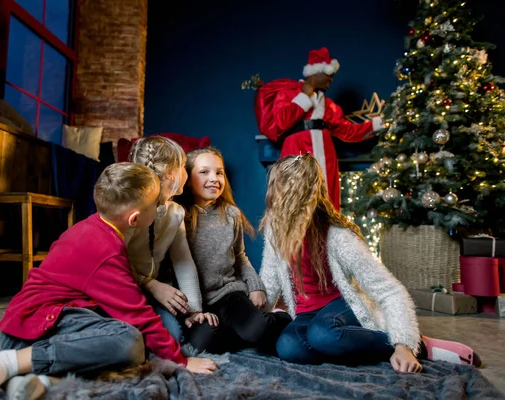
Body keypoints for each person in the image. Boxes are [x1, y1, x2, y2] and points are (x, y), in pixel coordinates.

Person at [0, 163, 217, 400]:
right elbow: (138, 314)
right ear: (135, 219)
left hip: (49, 323)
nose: (159, 207)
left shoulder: (94, 226)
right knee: (129, 342)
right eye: (155, 204)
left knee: (118, 339)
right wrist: (181, 361)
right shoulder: (105, 250)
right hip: (34, 330)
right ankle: (3, 364)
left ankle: (41, 382)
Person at [259, 154, 481, 372]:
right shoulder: (275, 232)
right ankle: (342, 346)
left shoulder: (338, 237)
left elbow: (390, 291)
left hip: (343, 304)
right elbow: (268, 282)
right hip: (307, 313)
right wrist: (251, 323)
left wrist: (403, 343)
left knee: (322, 334)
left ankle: (419, 346)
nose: (273, 198)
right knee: (289, 348)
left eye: (280, 191)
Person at [177, 148, 291, 354]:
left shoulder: (231, 214)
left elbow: (240, 258)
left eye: (219, 172)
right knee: (205, 343)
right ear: (187, 177)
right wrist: (193, 311)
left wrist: (255, 286)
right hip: (197, 301)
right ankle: (237, 329)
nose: (214, 178)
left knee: (258, 331)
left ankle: (278, 316)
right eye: (204, 172)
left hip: (229, 295)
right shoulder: (178, 216)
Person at [255, 47, 383, 209]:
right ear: (317, 73)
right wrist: (304, 97)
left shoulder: (329, 105)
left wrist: (377, 124)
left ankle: (327, 233)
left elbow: (347, 132)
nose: (331, 80)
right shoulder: (289, 93)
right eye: (329, 76)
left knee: (327, 203)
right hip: (297, 152)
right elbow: (282, 121)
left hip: (326, 155)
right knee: (297, 203)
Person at [126, 136, 216, 343]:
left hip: (157, 293)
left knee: (175, 335)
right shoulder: (130, 210)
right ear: (170, 173)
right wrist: (150, 284)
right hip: (125, 288)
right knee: (149, 337)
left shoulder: (175, 213)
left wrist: (194, 310)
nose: (186, 172)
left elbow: (183, 261)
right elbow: (113, 260)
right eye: (183, 166)